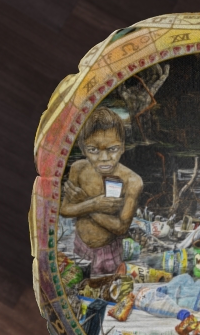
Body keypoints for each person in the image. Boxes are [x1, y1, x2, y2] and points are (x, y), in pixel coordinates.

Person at [60, 107, 143, 277]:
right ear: (83, 149)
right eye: (93, 150)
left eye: (112, 149)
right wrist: (93, 204)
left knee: (105, 288)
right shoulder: (78, 168)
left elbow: (121, 228)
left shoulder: (132, 181)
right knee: (77, 283)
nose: (104, 158)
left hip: (109, 253)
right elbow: (65, 210)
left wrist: (86, 204)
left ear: (122, 148)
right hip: (79, 245)